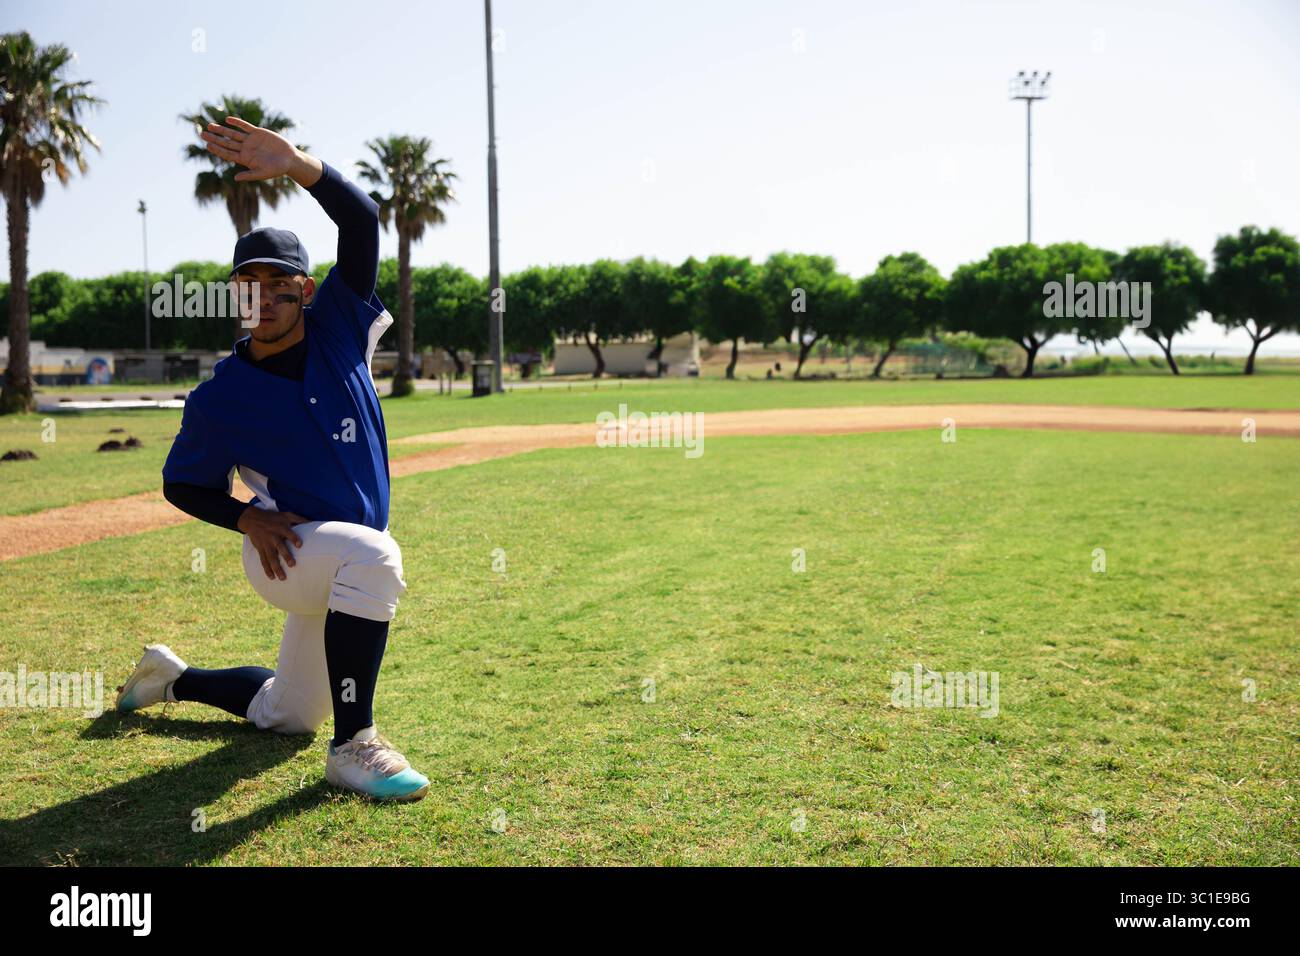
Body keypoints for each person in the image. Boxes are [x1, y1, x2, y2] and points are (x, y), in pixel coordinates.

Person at [115, 116, 428, 802]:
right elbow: (182, 484)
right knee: (375, 558)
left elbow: (363, 221)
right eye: (246, 283)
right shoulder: (221, 396)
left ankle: (170, 678)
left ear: (304, 292)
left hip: (334, 554)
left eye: (277, 282)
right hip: (282, 552)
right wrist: (245, 522)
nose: (261, 295)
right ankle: (355, 748)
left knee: (288, 714)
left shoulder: (340, 325)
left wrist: (297, 165)